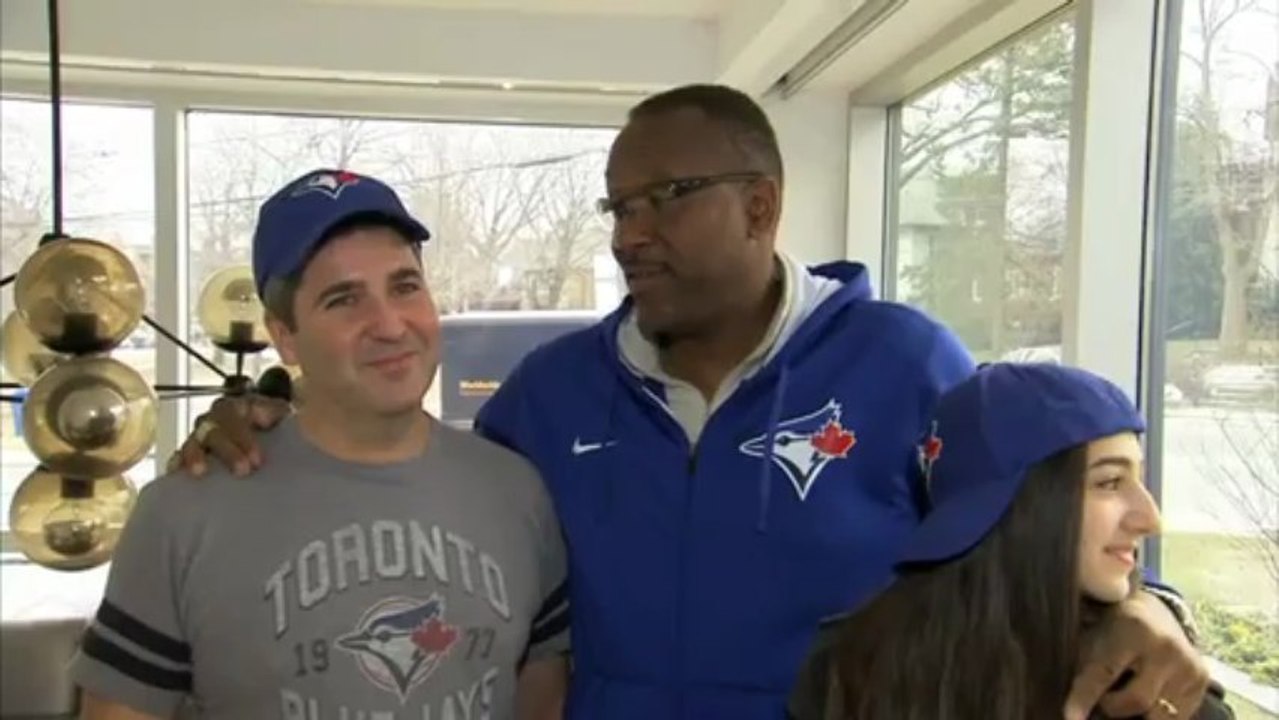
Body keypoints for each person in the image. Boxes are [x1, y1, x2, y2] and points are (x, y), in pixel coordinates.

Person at [171, 85, 1210, 720]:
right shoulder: (548, 394)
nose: (628, 233)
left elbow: (1035, 527)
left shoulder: (907, 361)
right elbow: (422, 507)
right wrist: (273, 416)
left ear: (760, 205)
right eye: (617, 205)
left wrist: (1151, 609)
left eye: (664, 198)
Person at [71, 169, 570, 720]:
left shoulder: (517, 491)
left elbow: (542, 689)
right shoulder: (183, 512)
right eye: (343, 299)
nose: (388, 324)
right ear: (284, 335)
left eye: (405, 286)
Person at [785, 363, 1234, 720]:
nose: (1151, 518)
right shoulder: (846, 671)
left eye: (1139, 479)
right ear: (1023, 506)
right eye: (1111, 482)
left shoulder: (1153, 684)